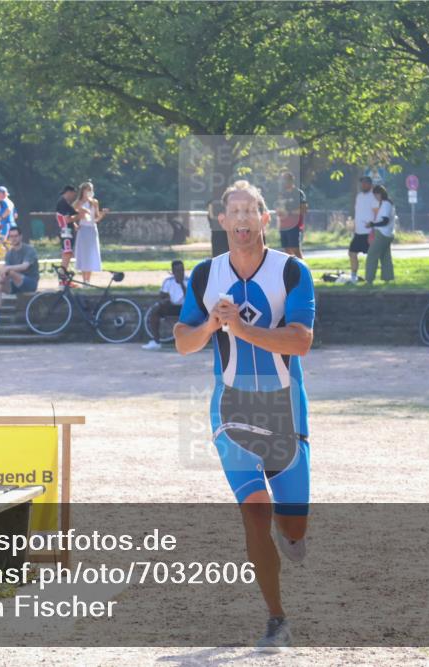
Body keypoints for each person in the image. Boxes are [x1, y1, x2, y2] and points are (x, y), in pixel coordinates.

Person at [174, 180, 315, 653]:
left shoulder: (293, 272)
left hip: (284, 409)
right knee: (254, 511)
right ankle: (277, 619)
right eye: (233, 211)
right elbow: (182, 341)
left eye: (250, 211)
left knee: (293, 529)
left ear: (264, 219)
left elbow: (299, 341)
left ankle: (289, 528)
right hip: (231, 407)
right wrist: (213, 324)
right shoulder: (204, 275)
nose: (242, 219)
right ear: (223, 221)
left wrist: (242, 327)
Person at [0, 227, 39, 328]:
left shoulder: (29, 250)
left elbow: (24, 266)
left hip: (29, 283)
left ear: (20, 237)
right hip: (14, 284)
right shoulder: (9, 253)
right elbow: (5, 272)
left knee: (11, 272)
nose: (13, 239)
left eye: (16, 236)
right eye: (11, 236)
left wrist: (7, 269)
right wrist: (3, 271)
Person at [141, 260, 186, 351]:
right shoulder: (168, 281)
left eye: (182, 270)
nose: (180, 273)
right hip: (171, 306)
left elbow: (189, 297)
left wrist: (181, 283)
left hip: (184, 307)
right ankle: (156, 342)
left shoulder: (188, 280)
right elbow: (162, 295)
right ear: (173, 272)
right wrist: (165, 300)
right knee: (155, 310)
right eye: (177, 271)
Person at [73, 181, 108, 283]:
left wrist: (103, 214)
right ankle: (85, 280)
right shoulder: (78, 203)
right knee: (84, 255)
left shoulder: (94, 202)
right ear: (83, 191)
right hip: (83, 229)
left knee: (91, 254)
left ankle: (88, 280)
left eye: (90, 190)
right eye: (87, 189)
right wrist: (75, 224)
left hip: (92, 229)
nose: (89, 192)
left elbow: (96, 219)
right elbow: (69, 216)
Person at [347, 176, 376, 283]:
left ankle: (369, 278)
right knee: (352, 253)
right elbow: (357, 212)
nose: (363, 185)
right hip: (358, 232)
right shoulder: (358, 196)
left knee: (371, 256)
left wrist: (374, 227)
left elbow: (377, 213)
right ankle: (354, 277)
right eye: (362, 183)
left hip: (369, 232)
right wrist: (354, 225)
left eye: (365, 183)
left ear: (370, 184)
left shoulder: (374, 196)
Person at [365, 185, 395, 285]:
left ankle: (369, 279)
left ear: (380, 193)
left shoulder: (386, 204)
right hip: (388, 234)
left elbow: (385, 221)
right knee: (385, 256)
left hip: (382, 233)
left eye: (376, 195)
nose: (375, 197)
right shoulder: (386, 204)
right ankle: (388, 278)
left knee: (372, 255)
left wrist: (372, 224)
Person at [275, 171, 307, 259]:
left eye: (285, 180)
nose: (283, 182)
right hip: (283, 225)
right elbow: (278, 208)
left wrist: (289, 212)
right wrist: (279, 211)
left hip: (294, 225)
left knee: (295, 249)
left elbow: (304, 209)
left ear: (291, 181)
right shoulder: (281, 194)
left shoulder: (298, 193)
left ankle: (302, 270)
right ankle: (292, 269)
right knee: (287, 250)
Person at [55, 185, 82, 279]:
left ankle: (64, 275)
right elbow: (66, 220)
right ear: (68, 192)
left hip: (67, 230)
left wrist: (74, 224)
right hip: (65, 231)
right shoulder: (62, 203)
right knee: (67, 252)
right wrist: (80, 216)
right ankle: (62, 275)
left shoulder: (65, 203)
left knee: (68, 253)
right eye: (73, 194)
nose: (74, 196)